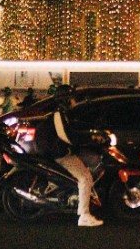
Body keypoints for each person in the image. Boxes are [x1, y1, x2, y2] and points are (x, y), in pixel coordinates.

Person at [29, 86, 102, 226]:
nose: (75, 101)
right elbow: (65, 136)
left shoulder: (63, 114)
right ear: (66, 100)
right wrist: (88, 140)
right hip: (58, 153)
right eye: (73, 98)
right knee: (85, 177)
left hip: (57, 151)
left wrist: (90, 135)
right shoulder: (58, 114)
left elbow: (74, 129)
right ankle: (84, 215)